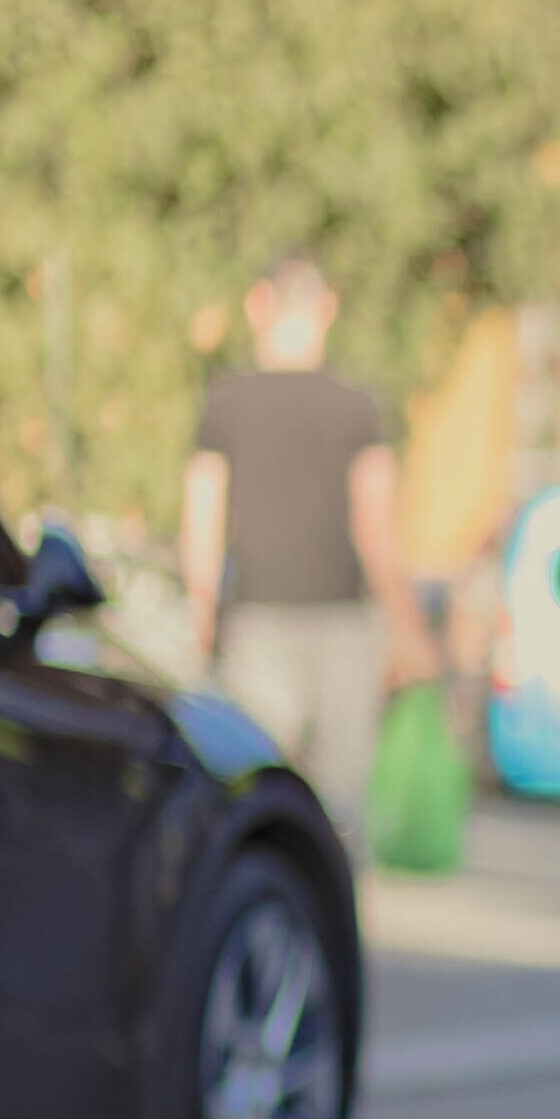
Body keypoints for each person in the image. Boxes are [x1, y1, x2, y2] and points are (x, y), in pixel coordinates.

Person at [185, 258, 414, 840]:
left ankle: (267, 893)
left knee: (258, 791)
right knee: (339, 808)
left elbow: (203, 521)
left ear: (258, 306)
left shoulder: (225, 402)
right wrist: (407, 627)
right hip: (344, 626)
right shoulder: (358, 406)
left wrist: (200, 617)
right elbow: (376, 530)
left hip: (256, 622)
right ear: (326, 309)